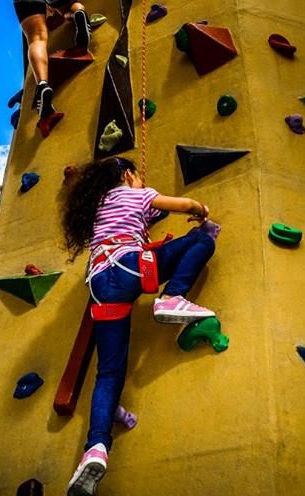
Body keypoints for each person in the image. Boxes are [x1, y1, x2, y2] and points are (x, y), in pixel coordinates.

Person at [62, 156, 220, 495]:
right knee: (200, 240)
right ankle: (172, 296)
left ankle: (96, 449)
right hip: (130, 266)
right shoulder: (135, 193)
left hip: (100, 286)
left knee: (109, 373)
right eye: (137, 175)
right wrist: (200, 209)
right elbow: (180, 204)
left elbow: (147, 216)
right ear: (127, 175)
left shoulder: (98, 209)